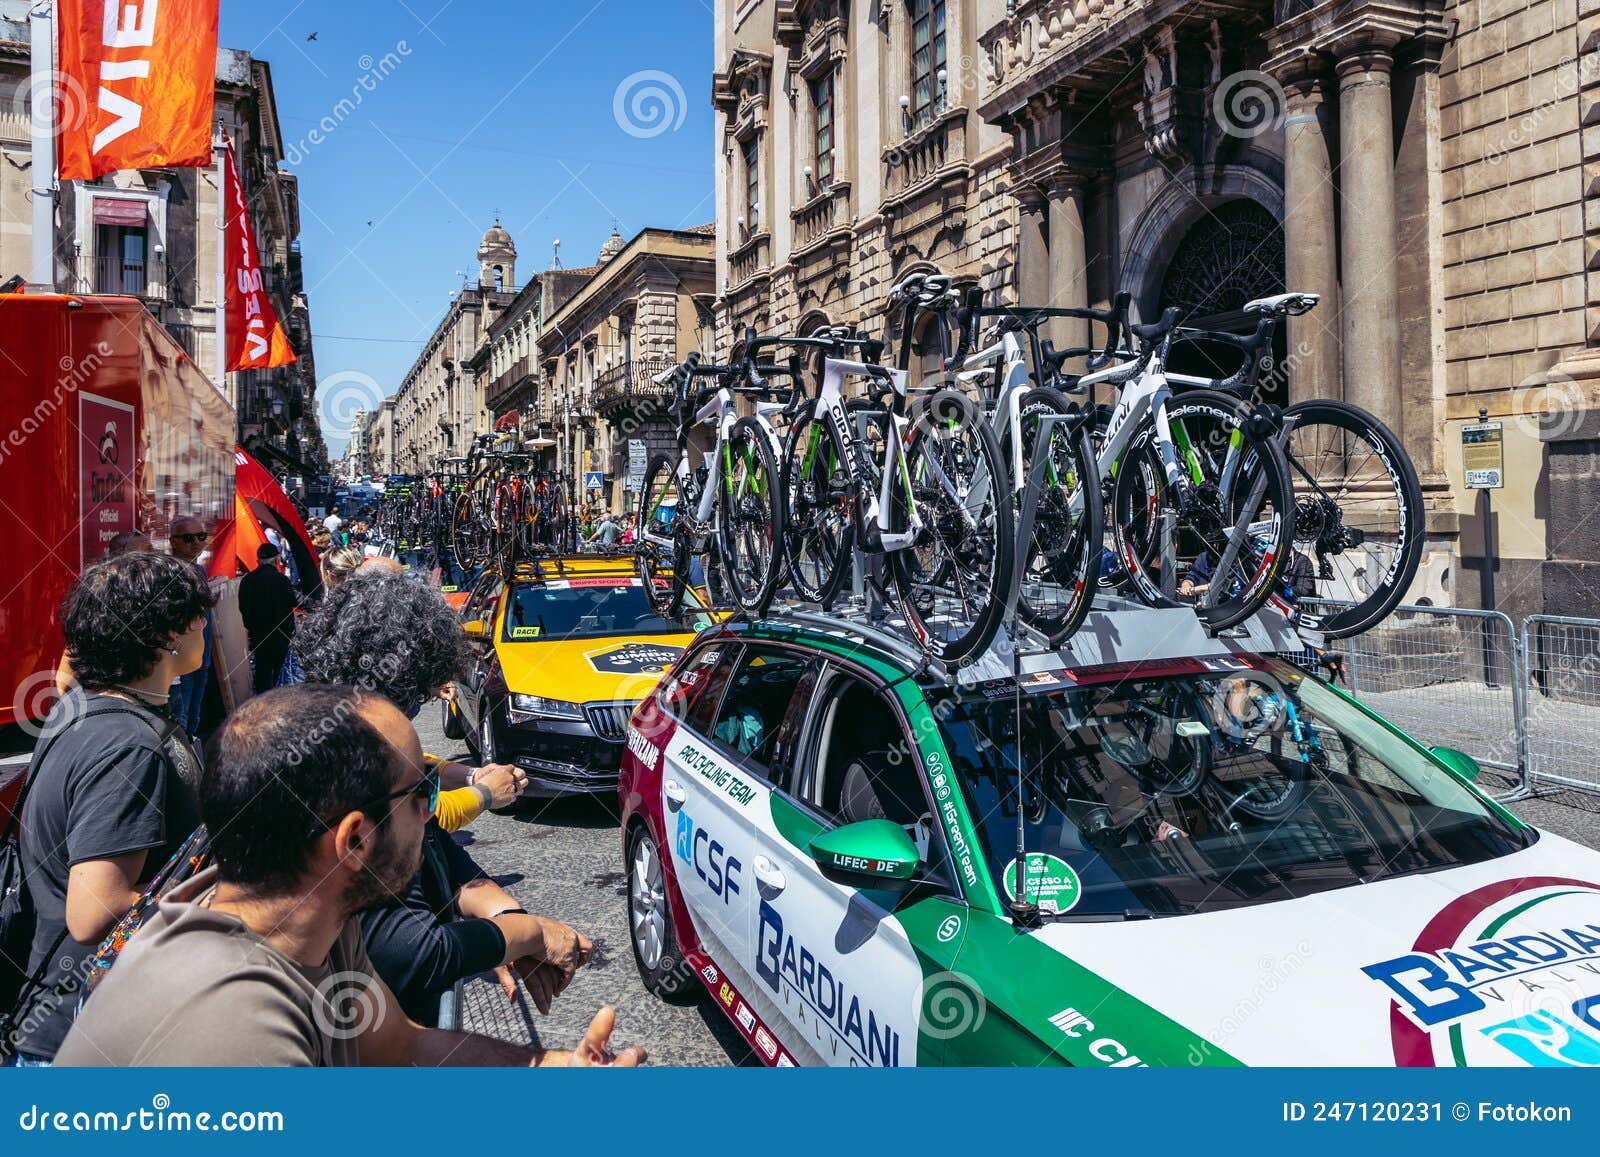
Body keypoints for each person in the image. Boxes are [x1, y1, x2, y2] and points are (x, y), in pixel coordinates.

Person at [54, 685, 644, 1067]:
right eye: (423, 791)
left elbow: (402, 1045)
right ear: (355, 839)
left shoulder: (316, 923)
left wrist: (553, 1068)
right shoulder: (239, 1035)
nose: (434, 810)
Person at [291, 568, 581, 1022]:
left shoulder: (350, 740)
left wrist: (505, 913)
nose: (419, 711)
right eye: (418, 698)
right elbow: (410, 952)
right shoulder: (351, 771)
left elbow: (436, 851)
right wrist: (523, 934)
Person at [8, 553, 212, 1065]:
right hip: (84, 1041)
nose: (205, 624)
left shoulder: (83, 709)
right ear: (169, 634)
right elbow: (94, 911)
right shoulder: (126, 743)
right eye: (195, 614)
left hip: (72, 1026)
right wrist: (232, 896)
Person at [168, 515, 214, 736]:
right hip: (182, 662)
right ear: (173, 541)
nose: (196, 542)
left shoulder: (201, 572)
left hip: (202, 658)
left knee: (194, 716)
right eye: (188, 538)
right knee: (182, 719)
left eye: (200, 536)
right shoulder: (170, 574)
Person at [239, 543, 300, 693]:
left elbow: (243, 607)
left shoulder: (247, 580)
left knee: (262, 670)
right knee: (280, 670)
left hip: (258, 633)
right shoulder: (281, 580)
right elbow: (292, 601)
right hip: (281, 633)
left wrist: (250, 626)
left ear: (258, 560)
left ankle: (262, 702)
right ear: (276, 560)